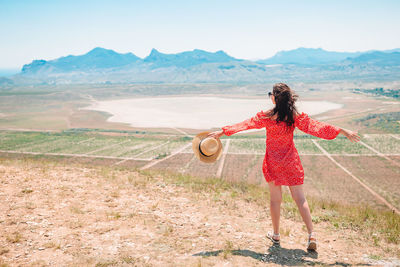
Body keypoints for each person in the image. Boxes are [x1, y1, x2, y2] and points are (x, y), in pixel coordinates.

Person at [207, 83, 360, 251]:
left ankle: (276, 234)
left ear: (274, 98)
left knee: (275, 200)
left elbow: (246, 124)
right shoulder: (293, 115)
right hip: (290, 161)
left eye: (270, 94)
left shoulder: (267, 115)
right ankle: (311, 235)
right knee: (300, 199)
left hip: (273, 162)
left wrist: (222, 132)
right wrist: (341, 130)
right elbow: (316, 127)